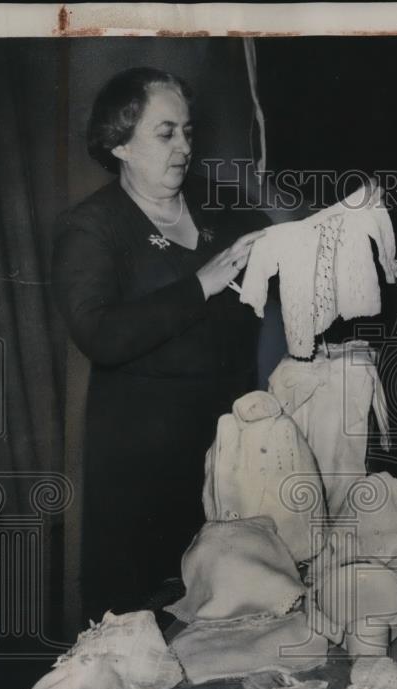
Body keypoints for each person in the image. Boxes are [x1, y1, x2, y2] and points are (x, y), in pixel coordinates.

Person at [53, 67, 267, 624]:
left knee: (236, 610)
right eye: (165, 133)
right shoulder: (93, 227)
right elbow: (99, 335)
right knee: (149, 620)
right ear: (120, 143)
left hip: (227, 441)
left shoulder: (221, 206)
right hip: (142, 459)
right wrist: (202, 282)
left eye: (188, 132)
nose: (184, 148)